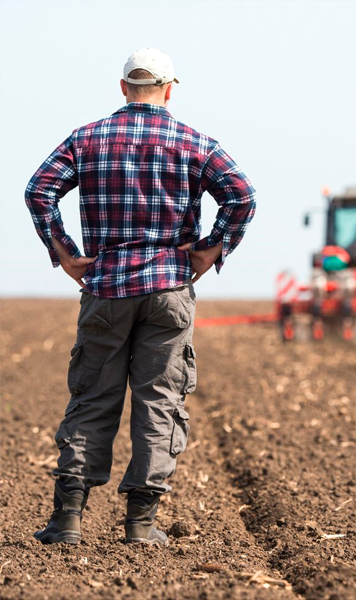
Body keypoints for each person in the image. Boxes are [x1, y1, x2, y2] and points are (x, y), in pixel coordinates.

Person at [24, 48, 256, 546]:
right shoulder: (196, 143)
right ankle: (141, 524)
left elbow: (38, 190)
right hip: (169, 289)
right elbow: (242, 196)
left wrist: (64, 253)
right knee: (160, 402)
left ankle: (67, 521)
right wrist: (212, 248)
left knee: (92, 398)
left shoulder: (86, 139)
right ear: (171, 89)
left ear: (123, 87)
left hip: (106, 287)